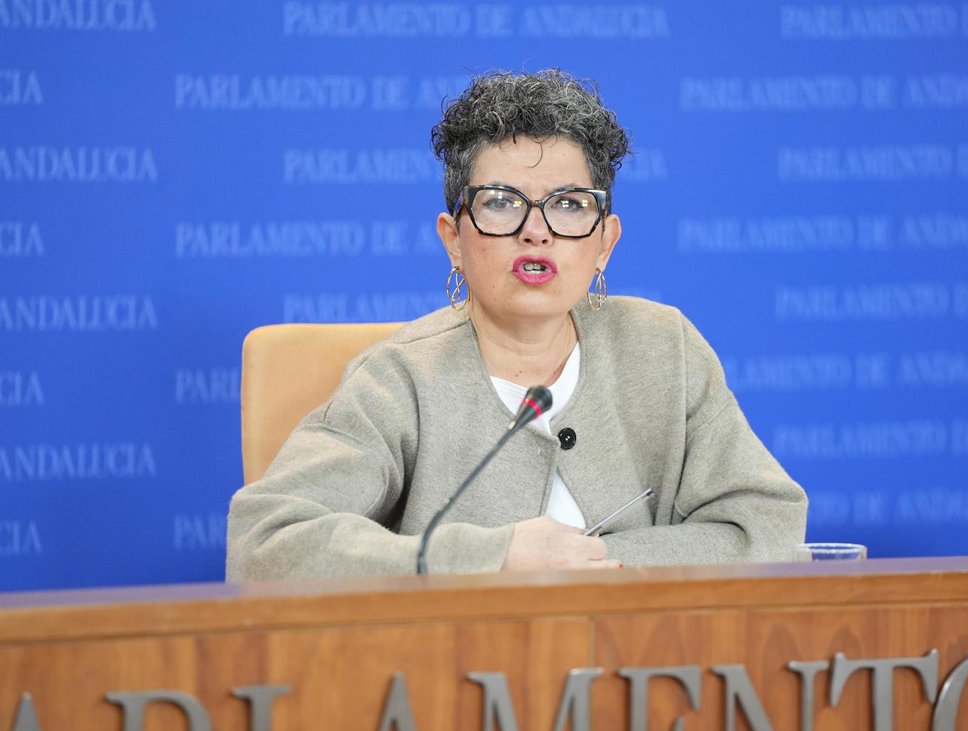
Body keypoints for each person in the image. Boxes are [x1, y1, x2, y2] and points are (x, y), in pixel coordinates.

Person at [226, 69, 807, 580]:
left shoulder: (664, 350)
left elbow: (769, 528)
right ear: (454, 240)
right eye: (502, 202)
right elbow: (263, 546)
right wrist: (489, 559)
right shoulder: (399, 380)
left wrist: (595, 565)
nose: (537, 231)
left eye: (570, 204)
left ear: (605, 243)